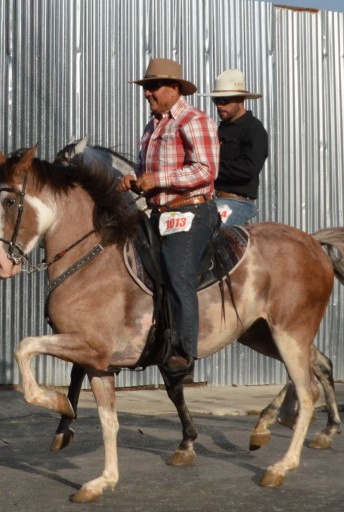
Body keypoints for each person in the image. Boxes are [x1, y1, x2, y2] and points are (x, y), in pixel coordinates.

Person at [117, 57, 221, 374]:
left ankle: (184, 353)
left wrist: (159, 179)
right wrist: (133, 178)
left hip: (192, 211)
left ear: (174, 89)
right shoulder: (153, 125)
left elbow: (206, 169)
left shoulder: (194, 120)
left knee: (177, 273)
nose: (147, 93)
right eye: (146, 87)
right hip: (160, 213)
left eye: (153, 87)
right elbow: (145, 170)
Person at [198, 69, 269, 227]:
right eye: (216, 101)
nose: (220, 105)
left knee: (212, 238)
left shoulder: (254, 129)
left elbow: (248, 168)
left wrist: (209, 170)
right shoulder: (219, 129)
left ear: (241, 99)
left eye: (225, 100)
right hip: (211, 200)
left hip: (236, 202)